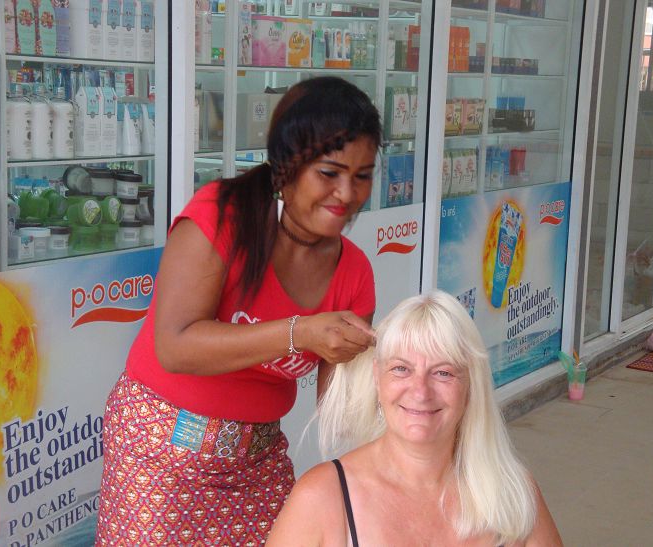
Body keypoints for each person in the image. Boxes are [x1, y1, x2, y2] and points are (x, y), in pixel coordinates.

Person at [95, 76, 382, 546]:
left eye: (362, 176)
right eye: (330, 173)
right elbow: (175, 346)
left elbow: (340, 411)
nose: (347, 193)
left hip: (258, 467)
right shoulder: (221, 214)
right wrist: (301, 332)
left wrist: (401, 371)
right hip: (158, 452)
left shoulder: (354, 274)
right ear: (287, 166)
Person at [267, 291, 563, 547]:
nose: (420, 392)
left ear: (471, 386)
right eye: (401, 369)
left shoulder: (514, 491)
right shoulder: (321, 498)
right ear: (377, 377)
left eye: (443, 372)